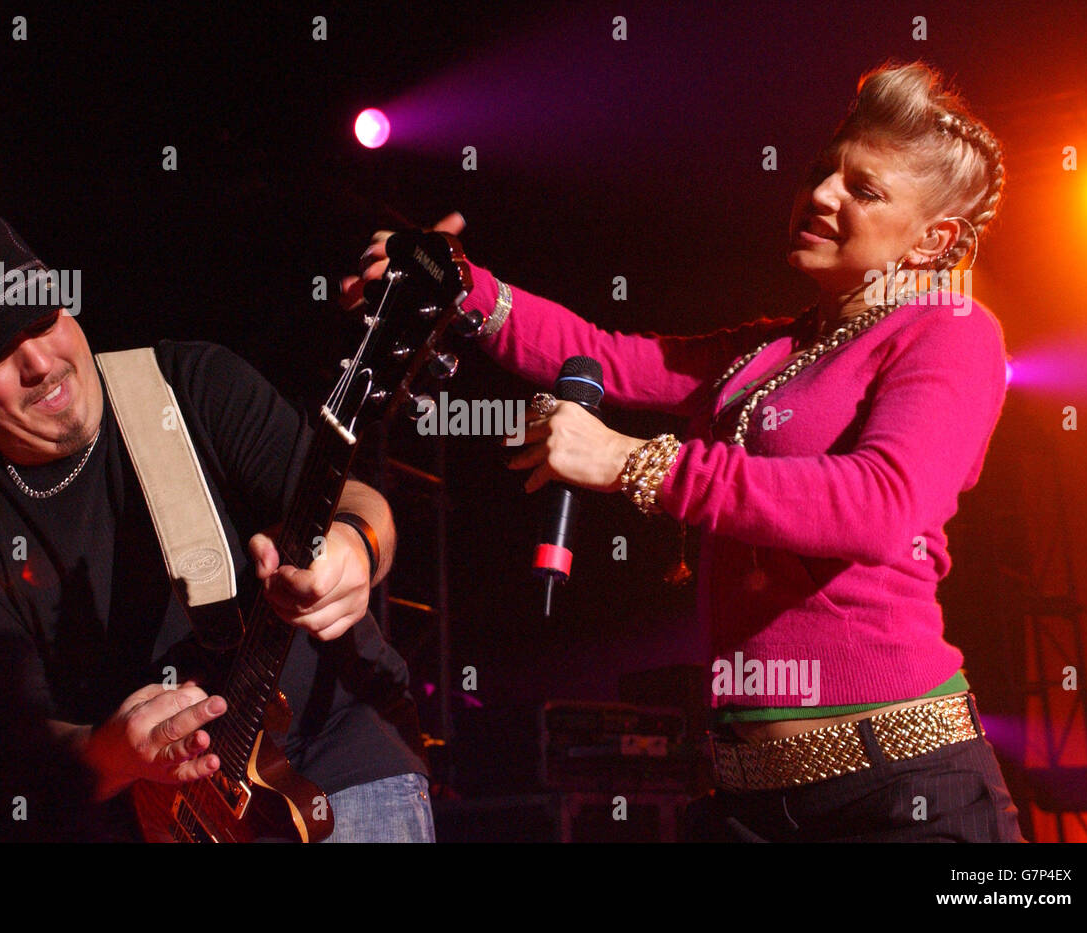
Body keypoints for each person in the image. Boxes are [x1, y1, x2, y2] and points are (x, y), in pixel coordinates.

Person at [345, 61, 1024, 842]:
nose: (823, 194)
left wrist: (633, 463)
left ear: (933, 239)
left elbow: (879, 505)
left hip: (902, 794)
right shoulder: (769, 352)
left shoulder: (953, 330)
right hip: (748, 801)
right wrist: (459, 284)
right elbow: (604, 352)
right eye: (820, 172)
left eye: (864, 190)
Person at [0, 213, 433, 842]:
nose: (40, 362)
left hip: (338, 761)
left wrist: (354, 547)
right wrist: (109, 753)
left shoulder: (189, 384)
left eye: (44, 321)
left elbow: (358, 503)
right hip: (166, 826)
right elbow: (2, 744)